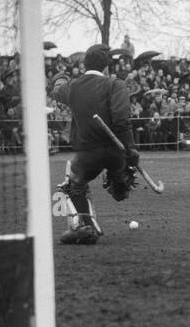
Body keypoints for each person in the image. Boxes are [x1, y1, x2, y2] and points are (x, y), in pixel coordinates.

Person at [50, 43, 139, 245]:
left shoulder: (72, 86)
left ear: (85, 65)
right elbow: (122, 120)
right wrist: (130, 149)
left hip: (88, 153)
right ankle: (119, 183)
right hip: (116, 152)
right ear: (106, 67)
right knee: (120, 190)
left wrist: (60, 78)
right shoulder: (116, 85)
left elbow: (56, 92)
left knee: (73, 185)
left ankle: (87, 226)